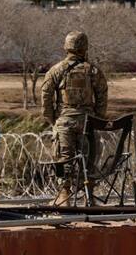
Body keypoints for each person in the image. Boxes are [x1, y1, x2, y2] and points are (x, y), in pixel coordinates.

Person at [41, 31, 109, 206]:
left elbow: (46, 95)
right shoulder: (93, 70)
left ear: (66, 47)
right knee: (89, 159)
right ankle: (89, 196)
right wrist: (98, 117)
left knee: (64, 158)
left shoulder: (56, 70)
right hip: (88, 121)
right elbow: (102, 94)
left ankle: (64, 196)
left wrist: (52, 119)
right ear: (84, 48)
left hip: (65, 121)